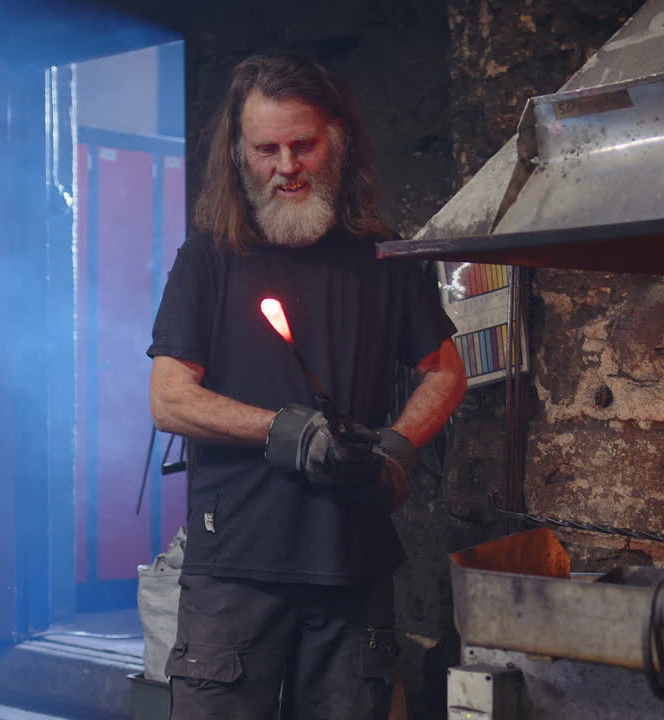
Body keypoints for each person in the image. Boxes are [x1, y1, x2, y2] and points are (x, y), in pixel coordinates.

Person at [147, 54, 467, 719]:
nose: (285, 166)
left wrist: (400, 447)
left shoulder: (385, 258)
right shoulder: (207, 260)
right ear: (239, 153)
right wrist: (281, 430)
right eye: (267, 149)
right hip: (235, 572)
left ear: (337, 141)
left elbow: (445, 370)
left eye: (303, 145)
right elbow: (169, 398)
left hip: (353, 570)